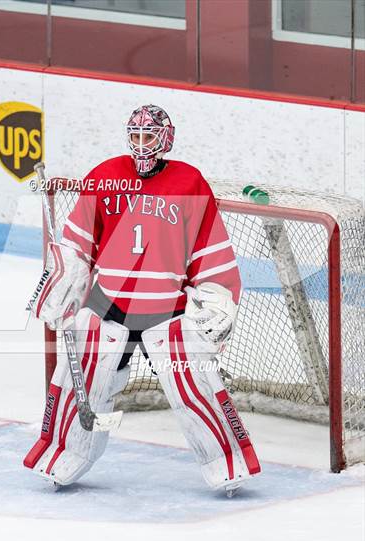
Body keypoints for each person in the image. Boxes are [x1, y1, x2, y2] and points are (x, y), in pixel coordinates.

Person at [24, 104, 261, 494]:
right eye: (134, 137)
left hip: (165, 304)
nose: (140, 145)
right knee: (79, 378)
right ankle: (62, 453)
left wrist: (216, 295)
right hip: (108, 301)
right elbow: (78, 244)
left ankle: (227, 460)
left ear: (165, 138)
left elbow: (209, 250)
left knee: (193, 383)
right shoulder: (105, 175)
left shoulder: (189, 183)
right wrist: (66, 281)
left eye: (148, 137)